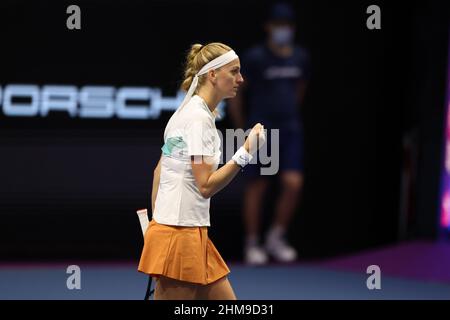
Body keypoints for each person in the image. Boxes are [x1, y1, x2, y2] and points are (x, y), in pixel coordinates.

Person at [138, 42, 266, 300]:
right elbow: (205, 185)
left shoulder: (186, 113)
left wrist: (156, 227)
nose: (240, 79)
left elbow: (158, 174)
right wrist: (246, 152)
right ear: (212, 75)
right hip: (180, 236)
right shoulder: (197, 120)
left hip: (183, 231)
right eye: (234, 71)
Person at [228, 3, 310, 265]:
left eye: (287, 26)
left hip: (290, 128)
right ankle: (252, 243)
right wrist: (242, 128)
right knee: (258, 185)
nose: (282, 30)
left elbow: (300, 90)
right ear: (268, 27)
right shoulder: (255, 58)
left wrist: (288, 114)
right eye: (278, 25)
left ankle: (276, 237)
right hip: (261, 129)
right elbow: (237, 92)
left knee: (293, 183)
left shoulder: (300, 57)